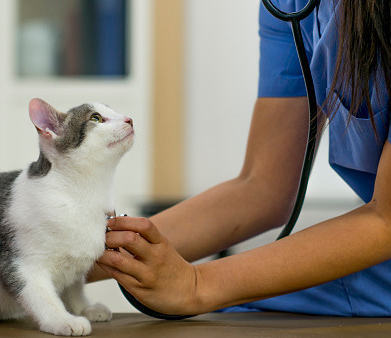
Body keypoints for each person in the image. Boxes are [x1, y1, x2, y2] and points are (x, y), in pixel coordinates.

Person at [91, 0, 391, 317]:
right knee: (231, 315)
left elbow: (387, 219)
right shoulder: (289, 6)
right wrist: (67, 254)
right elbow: (261, 189)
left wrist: (195, 285)